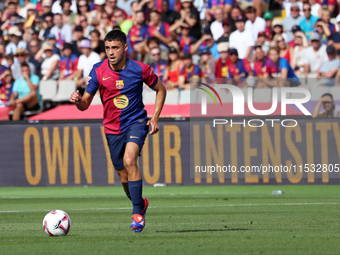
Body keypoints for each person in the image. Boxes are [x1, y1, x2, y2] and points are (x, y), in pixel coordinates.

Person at [69, 29, 166, 233]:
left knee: (130, 161)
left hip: (136, 122)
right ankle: (141, 203)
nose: (111, 52)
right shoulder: (98, 71)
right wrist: (78, 101)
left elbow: (161, 89)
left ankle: (137, 215)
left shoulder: (140, 69)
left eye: (115, 47)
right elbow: (86, 103)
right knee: (123, 177)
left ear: (125, 48)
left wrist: (154, 118)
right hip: (112, 128)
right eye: (107, 48)